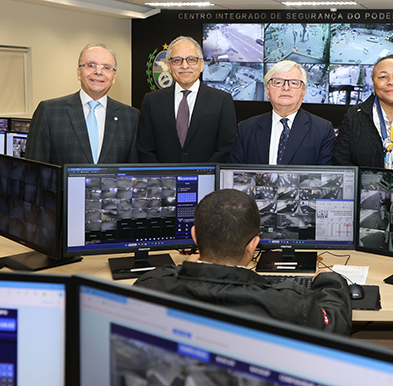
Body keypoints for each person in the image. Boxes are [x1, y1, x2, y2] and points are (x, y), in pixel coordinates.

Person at [134, 189, 352, 336]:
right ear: (253, 245)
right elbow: (335, 324)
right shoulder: (290, 303)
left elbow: (158, 276)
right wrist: (330, 281)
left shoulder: (150, 287)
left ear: (194, 236)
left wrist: (184, 269)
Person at [26, 43, 138, 165]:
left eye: (106, 67)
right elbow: (34, 171)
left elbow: (134, 173)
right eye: (91, 65)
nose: (98, 72)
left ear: (114, 77)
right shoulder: (49, 112)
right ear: (79, 73)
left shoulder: (131, 117)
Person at [137, 36, 237, 163]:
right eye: (177, 60)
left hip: (207, 180)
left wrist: (204, 176)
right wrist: (163, 178)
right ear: (169, 66)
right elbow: (145, 149)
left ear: (201, 65)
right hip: (164, 180)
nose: (185, 66)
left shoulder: (222, 100)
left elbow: (226, 148)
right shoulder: (152, 101)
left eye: (191, 59)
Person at [229, 61, 334, 165]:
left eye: (293, 83)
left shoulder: (322, 130)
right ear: (267, 90)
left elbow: (325, 178)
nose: (286, 88)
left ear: (303, 91)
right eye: (278, 82)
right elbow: (236, 175)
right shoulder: (246, 129)